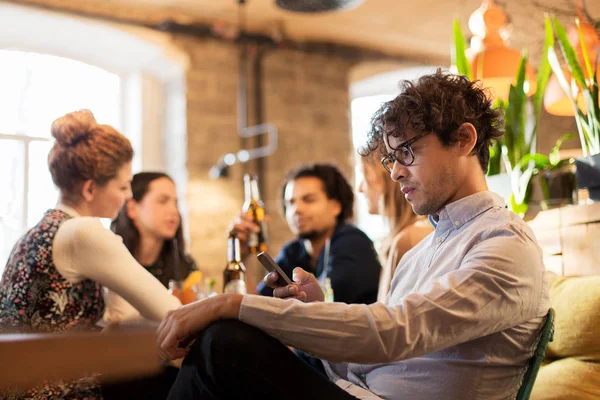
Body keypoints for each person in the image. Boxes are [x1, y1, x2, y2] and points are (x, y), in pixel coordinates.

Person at [157, 70, 550, 400]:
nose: (395, 173)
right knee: (221, 345)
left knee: (224, 344)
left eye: (407, 152)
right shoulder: (422, 251)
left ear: (464, 140)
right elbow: (372, 358)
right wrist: (311, 311)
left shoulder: (505, 245)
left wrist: (231, 304)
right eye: (391, 158)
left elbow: (394, 332)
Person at [0, 110, 180, 399]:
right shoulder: (83, 232)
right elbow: (171, 311)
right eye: (122, 186)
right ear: (89, 188)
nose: (127, 197)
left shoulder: (37, 232)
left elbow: (121, 315)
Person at [232, 163, 381, 305]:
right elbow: (257, 306)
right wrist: (241, 257)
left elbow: (327, 307)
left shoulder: (353, 244)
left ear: (336, 206)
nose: (296, 209)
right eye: (290, 202)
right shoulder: (293, 251)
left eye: (308, 200)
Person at [106, 172, 197, 322]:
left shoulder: (185, 266)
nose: (174, 211)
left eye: (176, 203)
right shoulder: (111, 263)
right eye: (163, 201)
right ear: (132, 209)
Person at [358, 154, 432, 302]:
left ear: (388, 181)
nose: (360, 188)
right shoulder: (403, 236)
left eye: (365, 177)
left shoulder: (410, 238)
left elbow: (389, 320)